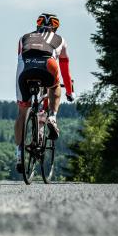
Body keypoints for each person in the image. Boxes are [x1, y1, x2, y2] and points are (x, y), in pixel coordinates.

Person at [14, 12, 74, 173]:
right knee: (54, 86)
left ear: (37, 25)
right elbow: (65, 70)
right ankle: (52, 117)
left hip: (25, 69)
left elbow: (20, 58)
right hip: (48, 64)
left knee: (21, 112)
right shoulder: (60, 39)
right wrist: (70, 91)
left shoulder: (24, 37)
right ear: (55, 27)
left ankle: (19, 153)